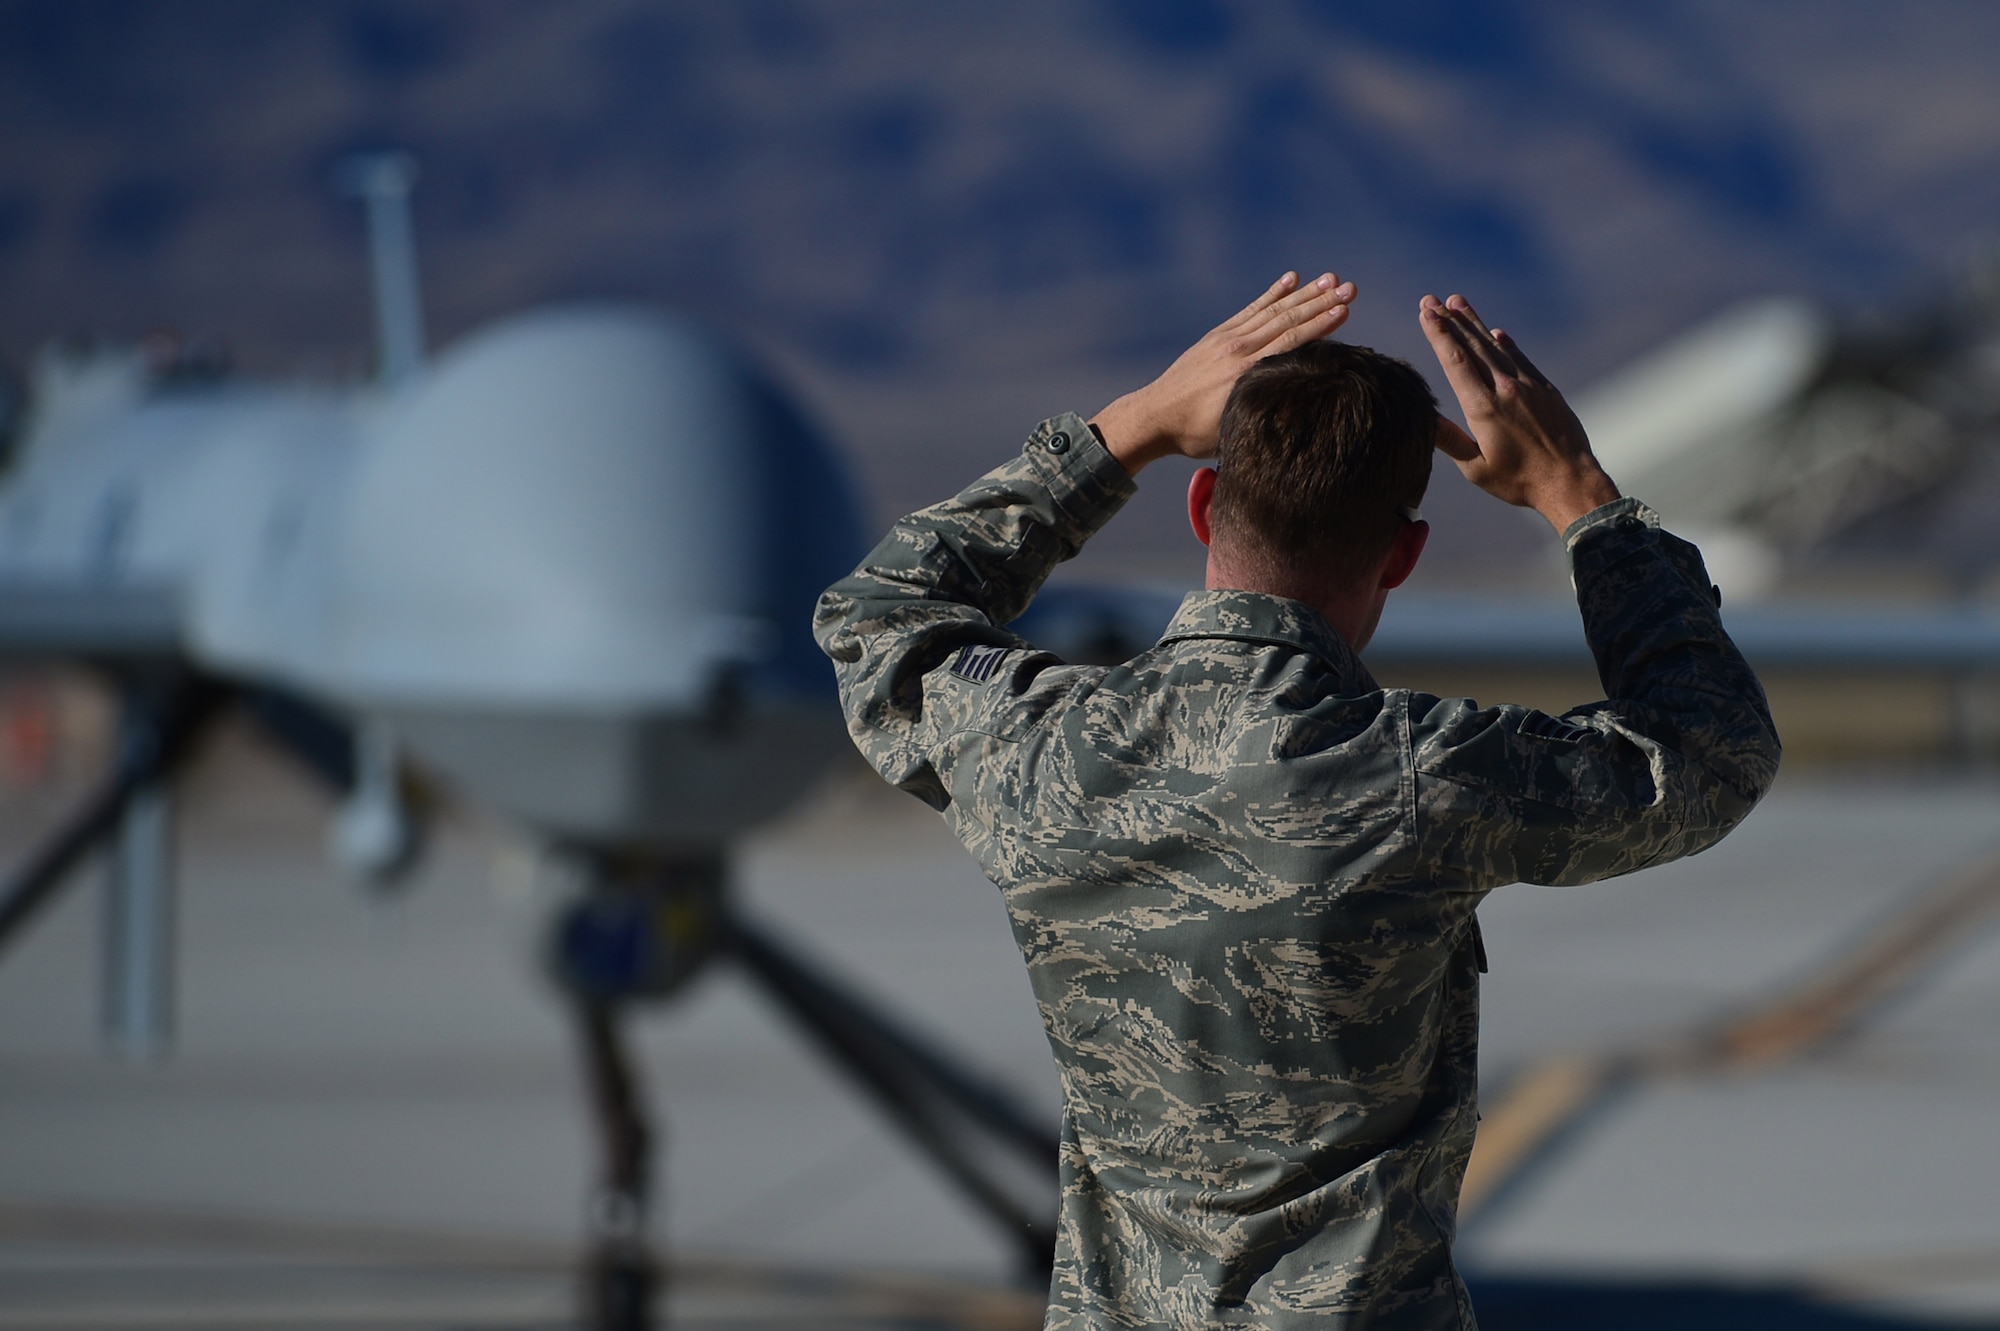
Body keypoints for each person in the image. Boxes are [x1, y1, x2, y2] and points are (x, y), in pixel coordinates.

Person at [814, 272, 1780, 1329]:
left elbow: (879, 613)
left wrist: (1129, 427)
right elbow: (1706, 751)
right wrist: (1581, 500)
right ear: (1402, 554)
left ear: (1199, 505)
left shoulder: (1040, 746)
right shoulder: (1423, 772)